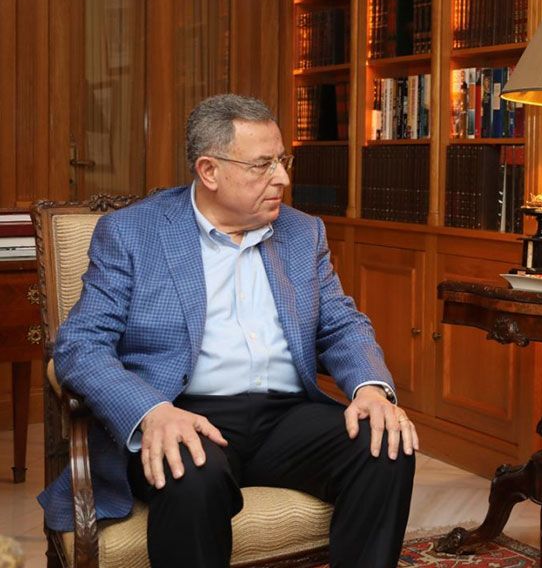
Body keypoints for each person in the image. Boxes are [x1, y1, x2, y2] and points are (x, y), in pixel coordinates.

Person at [37, 94, 416, 568]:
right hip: (183, 411)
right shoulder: (132, 233)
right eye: (262, 165)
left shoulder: (303, 232)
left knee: (386, 445)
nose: (282, 178)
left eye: (282, 161)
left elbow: (341, 323)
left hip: (285, 417)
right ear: (209, 171)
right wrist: (152, 412)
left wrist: (371, 388)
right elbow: (81, 346)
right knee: (189, 470)